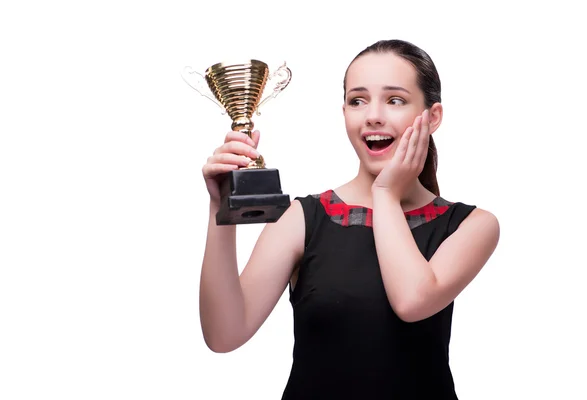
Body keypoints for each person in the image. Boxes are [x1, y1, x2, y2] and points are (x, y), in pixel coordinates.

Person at [199, 39, 500, 399]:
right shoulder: (303, 218)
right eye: (358, 100)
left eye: (395, 100)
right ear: (344, 112)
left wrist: (385, 193)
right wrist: (220, 209)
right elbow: (224, 334)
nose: (373, 115)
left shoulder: (472, 225)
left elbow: (412, 301)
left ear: (432, 117)